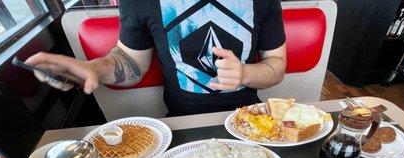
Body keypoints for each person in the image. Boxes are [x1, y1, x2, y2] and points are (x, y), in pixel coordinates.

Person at [26, 0, 287, 116]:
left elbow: (277, 65)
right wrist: (93, 69)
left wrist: (245, 74)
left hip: (250, 118)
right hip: (181, 125)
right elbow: (130, 61)